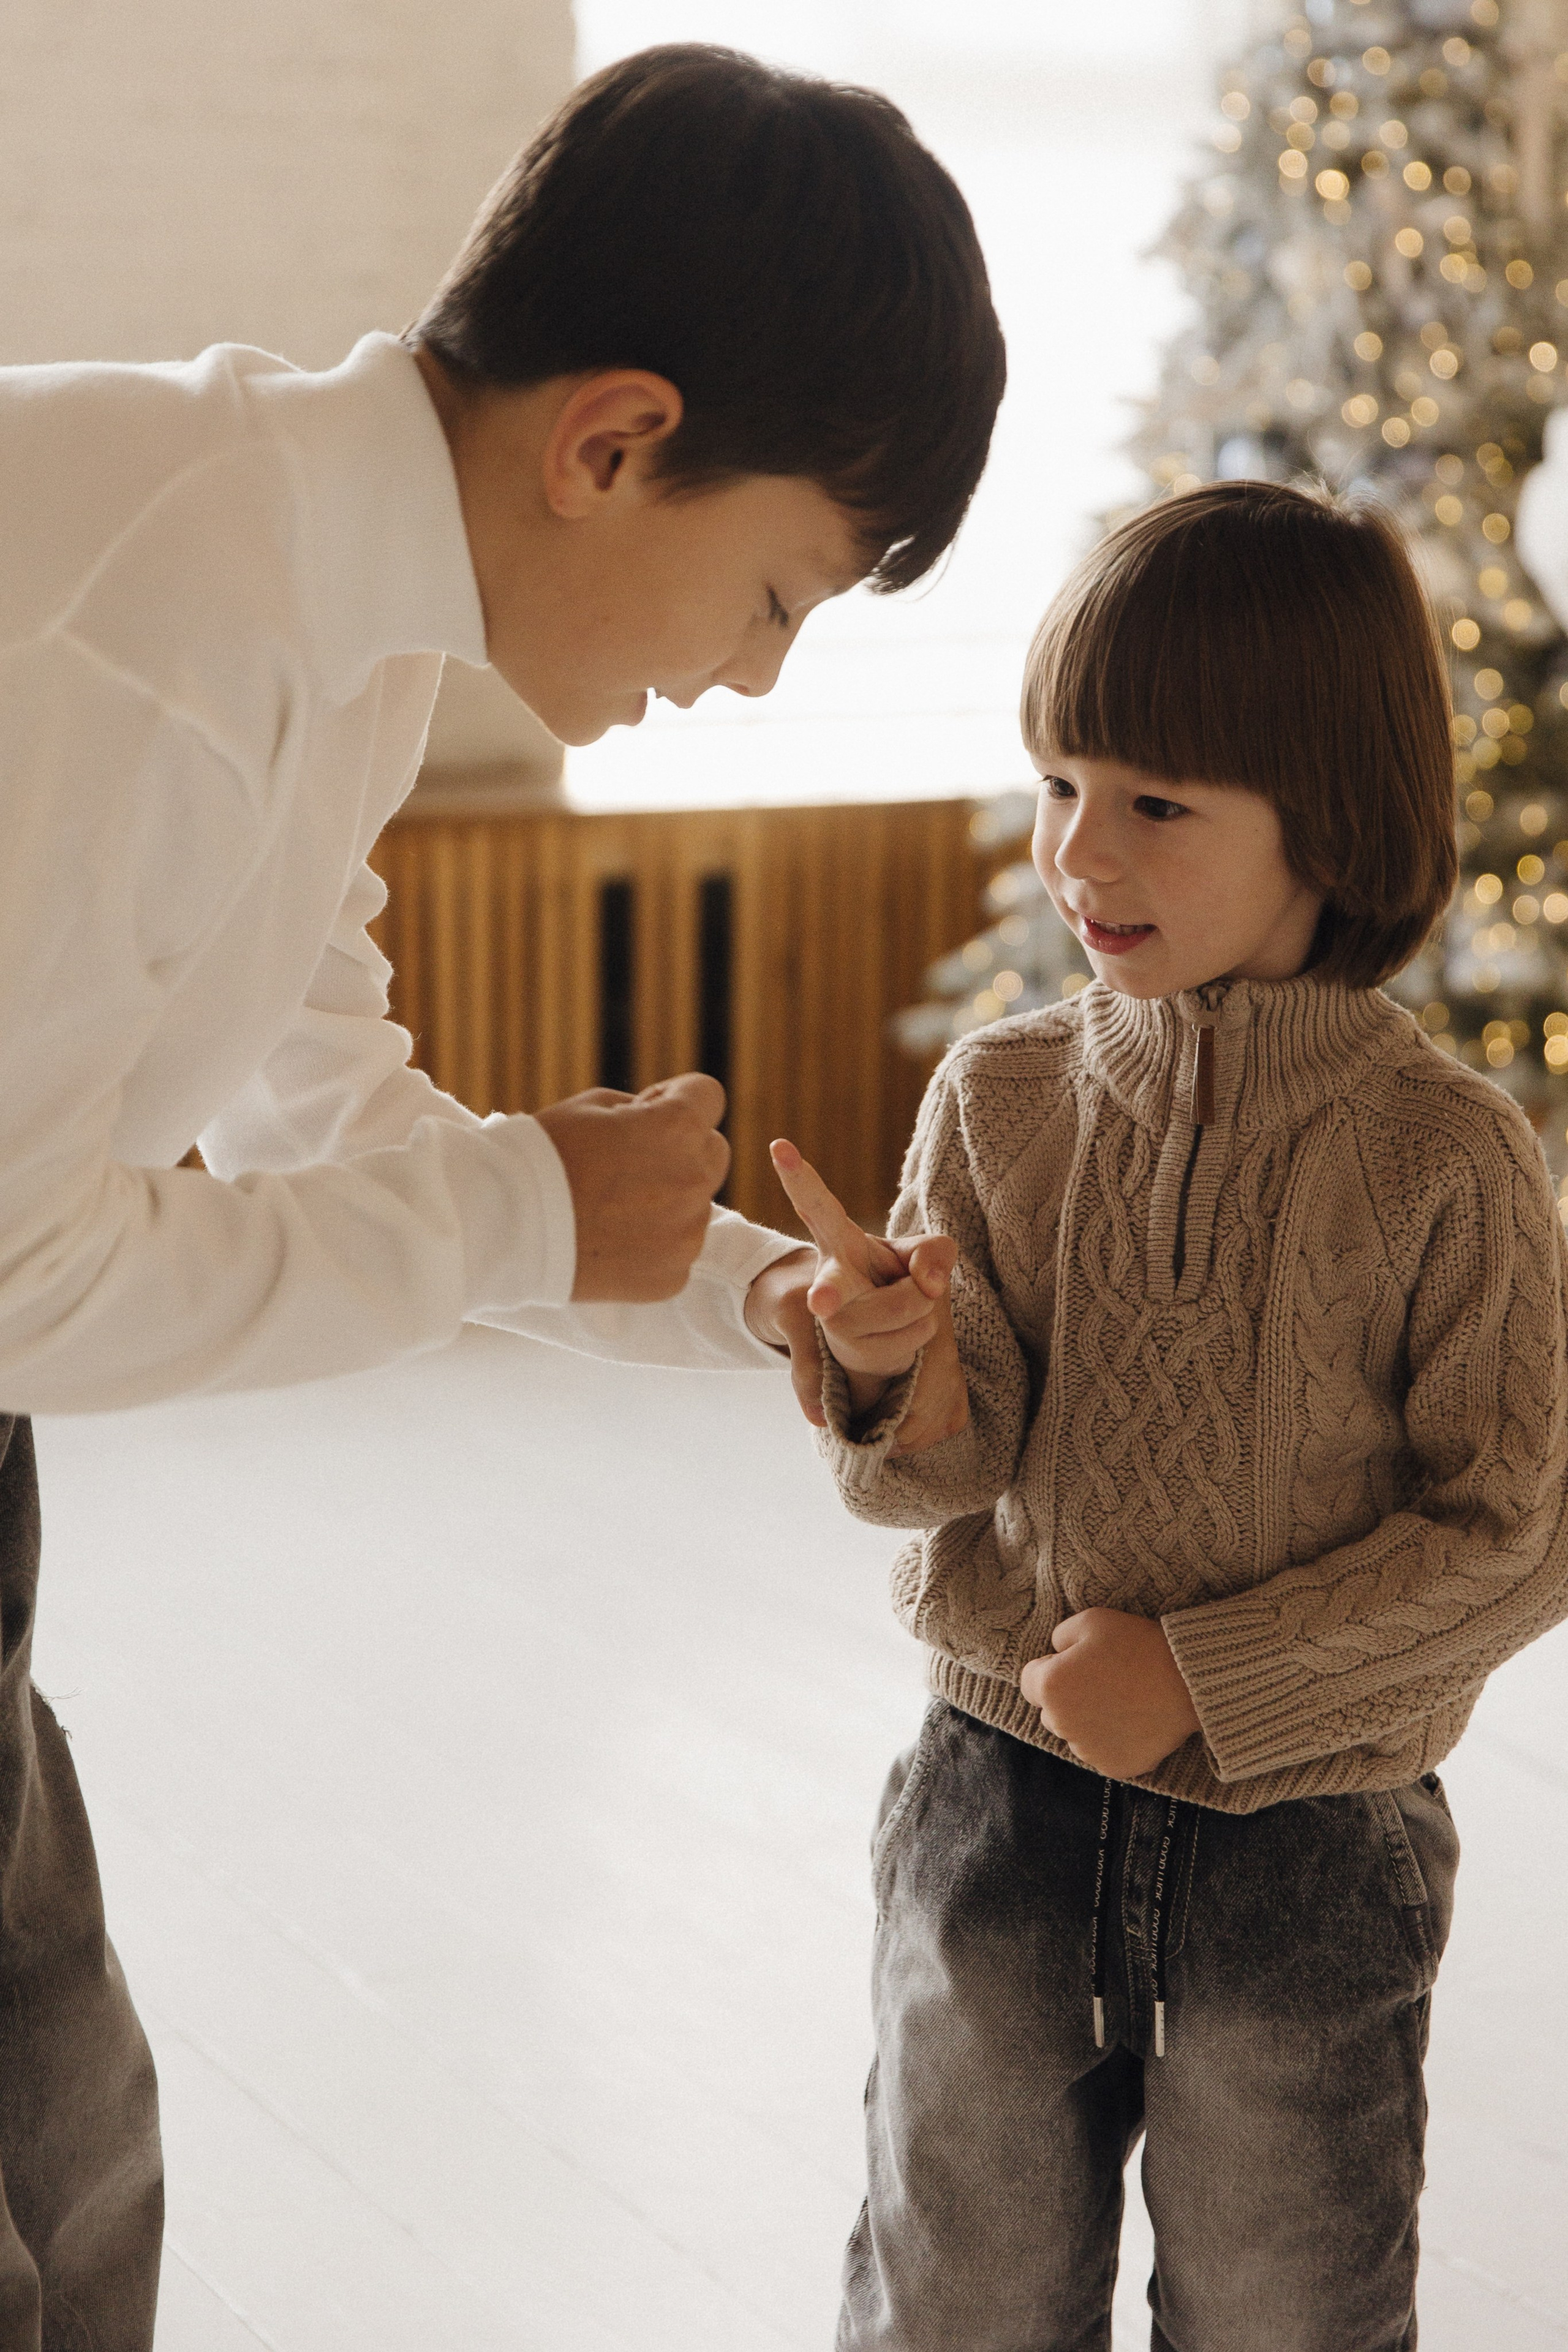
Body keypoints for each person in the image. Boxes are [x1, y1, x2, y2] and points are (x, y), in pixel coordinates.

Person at [0, 42, 1001, 2343]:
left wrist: (756, 1293)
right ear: (614, 442)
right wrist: (522, 1216)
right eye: (773, 597)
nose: (750, 680)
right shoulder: (157, 624)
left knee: (74, 2173)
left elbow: (322, 1119)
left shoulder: (317, 603)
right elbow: (21, 1266)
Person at [772, 480, 1568, 2352]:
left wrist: (1207, 1678)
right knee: (952, 2297)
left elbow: (1516, 1534)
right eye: (1060, 782)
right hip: (995, 1818)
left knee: (1293, 2311)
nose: (1078, 853)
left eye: (1155, 806)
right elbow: (953, 1477)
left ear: (1333, 820)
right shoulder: (1003, 1097)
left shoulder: (1447, 1158)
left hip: (1313, 1853)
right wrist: (893, 1369)